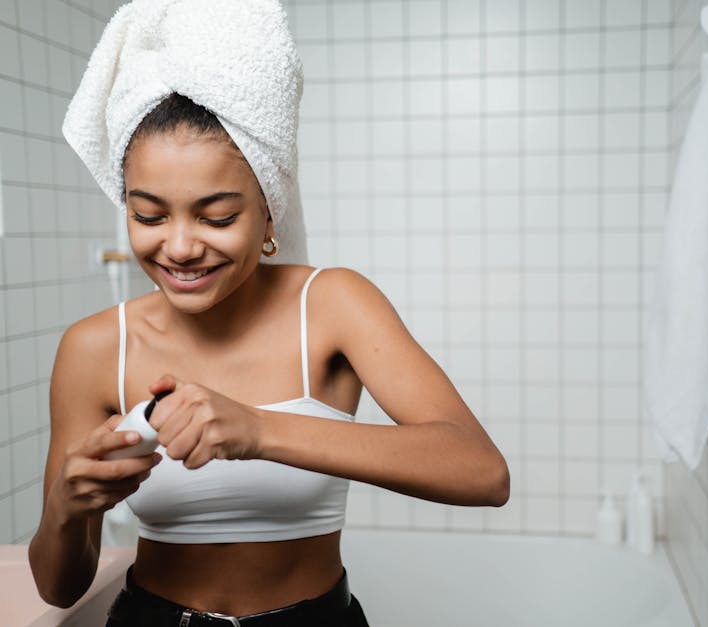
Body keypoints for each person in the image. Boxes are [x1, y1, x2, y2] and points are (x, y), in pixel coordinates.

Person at [27, 2, 509, 626]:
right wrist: (68, 508)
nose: (178, 246)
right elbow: (59, 589)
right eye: (148, 215)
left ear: (269, 212)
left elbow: (481, 472)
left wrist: (259, 430)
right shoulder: (94, 347)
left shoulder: (333, 304)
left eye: (217, 216)